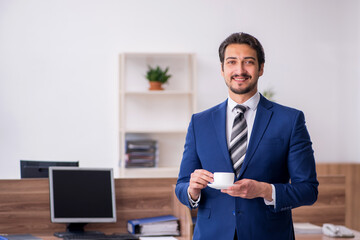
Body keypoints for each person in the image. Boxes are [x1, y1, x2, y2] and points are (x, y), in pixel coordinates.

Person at [175, 32, 318, 240]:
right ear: (222, 69)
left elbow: (308, 189)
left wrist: (265, 190)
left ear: (260, 68)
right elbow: (181, 185)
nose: (239, 70)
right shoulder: (200, 122)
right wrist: (192, 190)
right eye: (231, 62)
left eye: (248, 62)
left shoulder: (290, 120)